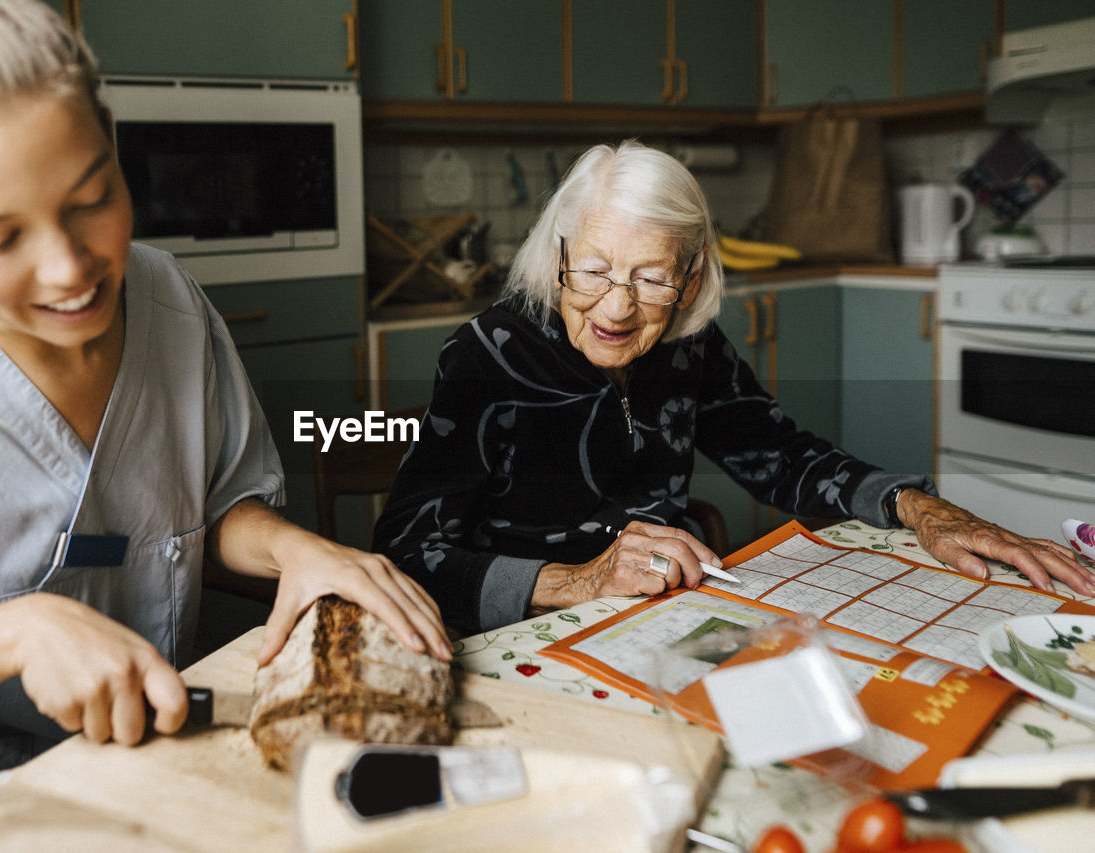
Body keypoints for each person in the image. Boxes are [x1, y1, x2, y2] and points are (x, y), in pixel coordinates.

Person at [0, 0, 449, 789]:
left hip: (164, 776)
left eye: (90, 200)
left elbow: (215, 510)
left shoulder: (169, 301)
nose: (69, 269)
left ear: (110, 140)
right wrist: (15, 634)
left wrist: (297, 550)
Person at [373, 140, 1095, 636]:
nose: (618, 307)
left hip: (663, 618)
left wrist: (925, 508)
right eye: (593, 269)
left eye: (653, 278)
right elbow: (404, 553)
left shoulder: (689, 347)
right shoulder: (486, 354)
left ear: (690, 278)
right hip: (523, 635)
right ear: (557, 252)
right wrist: (579, 580)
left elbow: (779, 457)